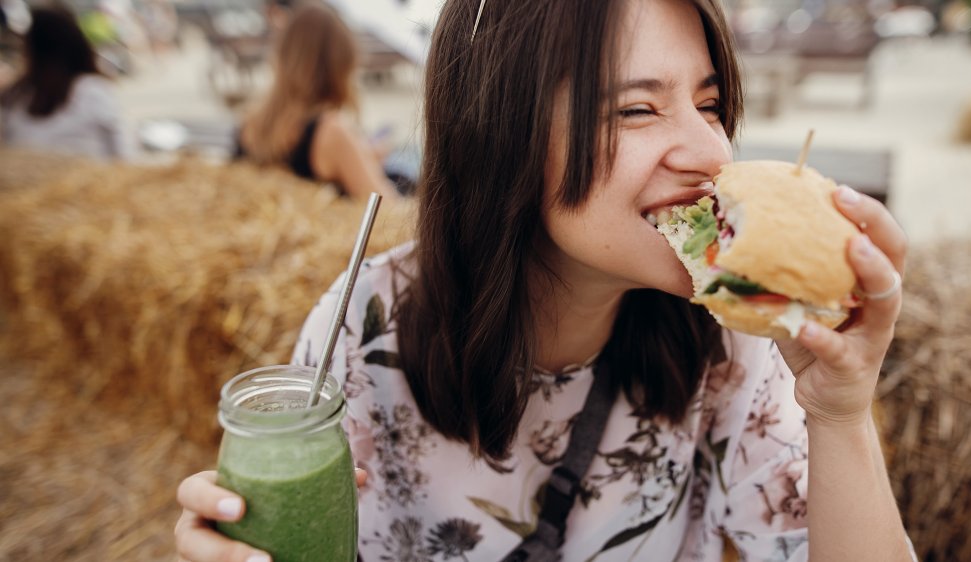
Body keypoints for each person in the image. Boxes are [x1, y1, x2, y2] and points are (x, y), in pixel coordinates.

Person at [176, 0, 916, 560]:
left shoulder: (735, 337)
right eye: (637, 108)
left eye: (710, 104)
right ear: (504, 134)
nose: (711, 151)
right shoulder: (362, 329)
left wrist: (840, 412)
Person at [233, 2, 399, 199]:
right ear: (339, 67)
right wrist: (368, 164)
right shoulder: (332, 131)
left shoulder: (249, 125)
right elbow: (387, 209)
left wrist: (361, 156)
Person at [0, 5, 128, 160]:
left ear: (31, 49)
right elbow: (122, 153)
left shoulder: (15, 97)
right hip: (92, 181)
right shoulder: (92, 90)